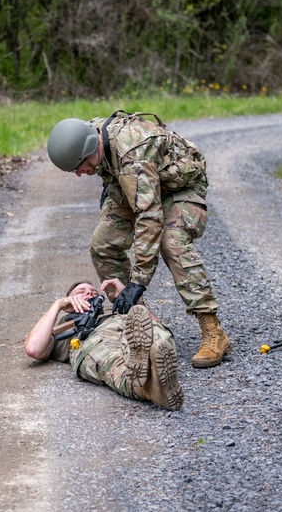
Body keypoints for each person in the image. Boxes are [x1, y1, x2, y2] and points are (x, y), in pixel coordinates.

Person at [46, 111, 230, 369]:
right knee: (102, 245)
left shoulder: (133, 151)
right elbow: (123, 185)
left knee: (171, 242)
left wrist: (138, 282)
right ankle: (142, 326)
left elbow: (149, 216)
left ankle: (213, 333)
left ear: (91, 149)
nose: (79, 174)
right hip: (135, 184)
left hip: (179, 189)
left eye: (80, 167)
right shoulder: (89, 134)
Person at [24, 278, 184, 410]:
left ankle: (150, 373)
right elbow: (33, 349)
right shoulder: (64, 324)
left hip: (130, 327)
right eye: (81, 292)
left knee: (156, 333)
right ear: (69, 302)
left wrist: (126, 294)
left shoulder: (118, 308)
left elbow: (154, 321)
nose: (89, 292)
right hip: (95, 336)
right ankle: (144, 385)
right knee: (111, 358)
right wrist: (58, 305)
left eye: (93, 291)